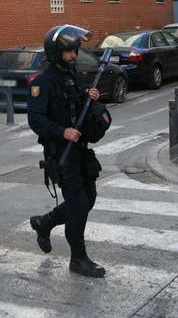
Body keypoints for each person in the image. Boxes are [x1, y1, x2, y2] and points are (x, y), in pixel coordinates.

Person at [26, 25, 107, 278]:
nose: (74, 55)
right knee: (79, 204)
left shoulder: (72, 75)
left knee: (88, 199)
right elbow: (35, 120)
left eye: (75, 50)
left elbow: (75, 104)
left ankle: (45, 222)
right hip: (61, 150)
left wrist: (88, 96)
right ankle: (78, 259)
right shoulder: (42, 82)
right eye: (69, 51)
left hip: (81, 148)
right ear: (55, 52)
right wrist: (63, 132)